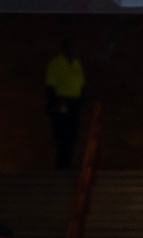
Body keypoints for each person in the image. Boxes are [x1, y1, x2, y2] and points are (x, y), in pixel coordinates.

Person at [45, 39, 85, 171]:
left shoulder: (76, 63)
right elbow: (50, 86)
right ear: (66, 48)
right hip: (61, 102)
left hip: (74, 103)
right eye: (73, 48)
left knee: (72, 133)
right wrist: (53, 104)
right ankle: (61, 164)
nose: (75, 51)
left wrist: (82, 100)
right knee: (61, 133)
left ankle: (66, 163)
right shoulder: (56, 64)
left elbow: (81, 84)